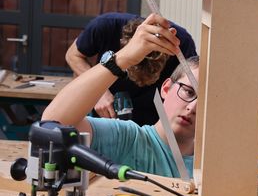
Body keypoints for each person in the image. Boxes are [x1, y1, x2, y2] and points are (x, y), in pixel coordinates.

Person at [43, 14, 199, 178]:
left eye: (205, 103)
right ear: (166, 88)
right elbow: (52, 126)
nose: (192, 107)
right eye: (188, 91)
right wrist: (121, 60)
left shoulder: (215, 162)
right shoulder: (129, 140)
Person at [65, 12, 197, 126]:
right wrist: (99, 91)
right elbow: (73, 55)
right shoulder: (105, 26)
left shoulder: (180, 44)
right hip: (106, 106)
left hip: (151, 112)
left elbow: (194, 83)